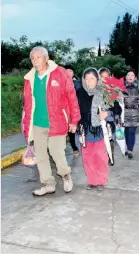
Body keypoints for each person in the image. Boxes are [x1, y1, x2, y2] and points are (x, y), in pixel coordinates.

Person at [23, 46, 81, 196]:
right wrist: (26, 125)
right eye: (33, 58)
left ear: (46, 58)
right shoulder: (30, 78)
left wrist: (74, 120)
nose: (35, 61)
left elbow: (71, 97)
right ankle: (48, 184)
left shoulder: (59, 73)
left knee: (56, 152)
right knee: (41, 155)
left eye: (38, 57)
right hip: (37, 123)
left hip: (57, 121)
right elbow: (28, 104)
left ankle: (65, 175)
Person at [77, 67, 121, 191]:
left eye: (92, 78)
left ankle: (101, 181)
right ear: (83, 80)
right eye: (87, 79)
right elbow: (75, 110)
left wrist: (106, 113)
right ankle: (92, 180)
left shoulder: (105, 92)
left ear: (97, 79)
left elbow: (118, 109)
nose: (89, 81)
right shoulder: (80, 93)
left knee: (100, 156)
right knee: (88, 156)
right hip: (85, 130)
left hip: (101, 130)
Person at [123, 69, 139, 159]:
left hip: (135, 113)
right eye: (128, 75)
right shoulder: (121, 87)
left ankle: (130, 150)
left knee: (132, 131)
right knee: (126, 131)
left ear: (135, 77)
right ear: (126, 77)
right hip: (124, 113)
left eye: (132, 75)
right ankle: (126, 146)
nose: (130, 77)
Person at [64, 64, 81, 157]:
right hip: (63, 111)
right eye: (67, 71)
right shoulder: (59, 83)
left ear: (73, 73)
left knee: (72, 131)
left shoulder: (77, 84)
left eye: (71, 71)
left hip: (74, 110)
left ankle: (74, 147)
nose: (69, 73)